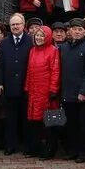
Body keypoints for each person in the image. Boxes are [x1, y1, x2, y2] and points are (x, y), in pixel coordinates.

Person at [58, 19, 85, 162]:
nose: (76, 32)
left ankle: (84, 152)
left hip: (82, 95)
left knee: (84, 125)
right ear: (69, 30)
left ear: (84, 31)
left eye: (80, 29)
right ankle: (72, 150)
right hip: (67, 93)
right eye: (74, 29)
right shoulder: (63, 48)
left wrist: (84, 91)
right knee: (71, 125)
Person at [0, 13, 32, 155]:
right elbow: (0, 64)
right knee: (10, 119)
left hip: (26, 86)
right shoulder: (4, 42)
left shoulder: (30, 41)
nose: (15, 27)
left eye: (18, 24)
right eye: (13, 25)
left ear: (23, 25)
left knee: (26, 118)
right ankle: (10, 146)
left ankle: (26, 146)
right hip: (9, 86)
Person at [24, 25, 61, 158]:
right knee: (35, 123)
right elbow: (29, 70)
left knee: (49, 123)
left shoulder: (53, 50)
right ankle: (36, 148)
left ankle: (49, 150)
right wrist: (27, 87)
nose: (39, 38)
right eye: (37, 35)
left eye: (41, 35)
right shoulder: (32, 50)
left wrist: (53, 89)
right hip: (34, 92)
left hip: (46, 93)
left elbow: (55, 70)